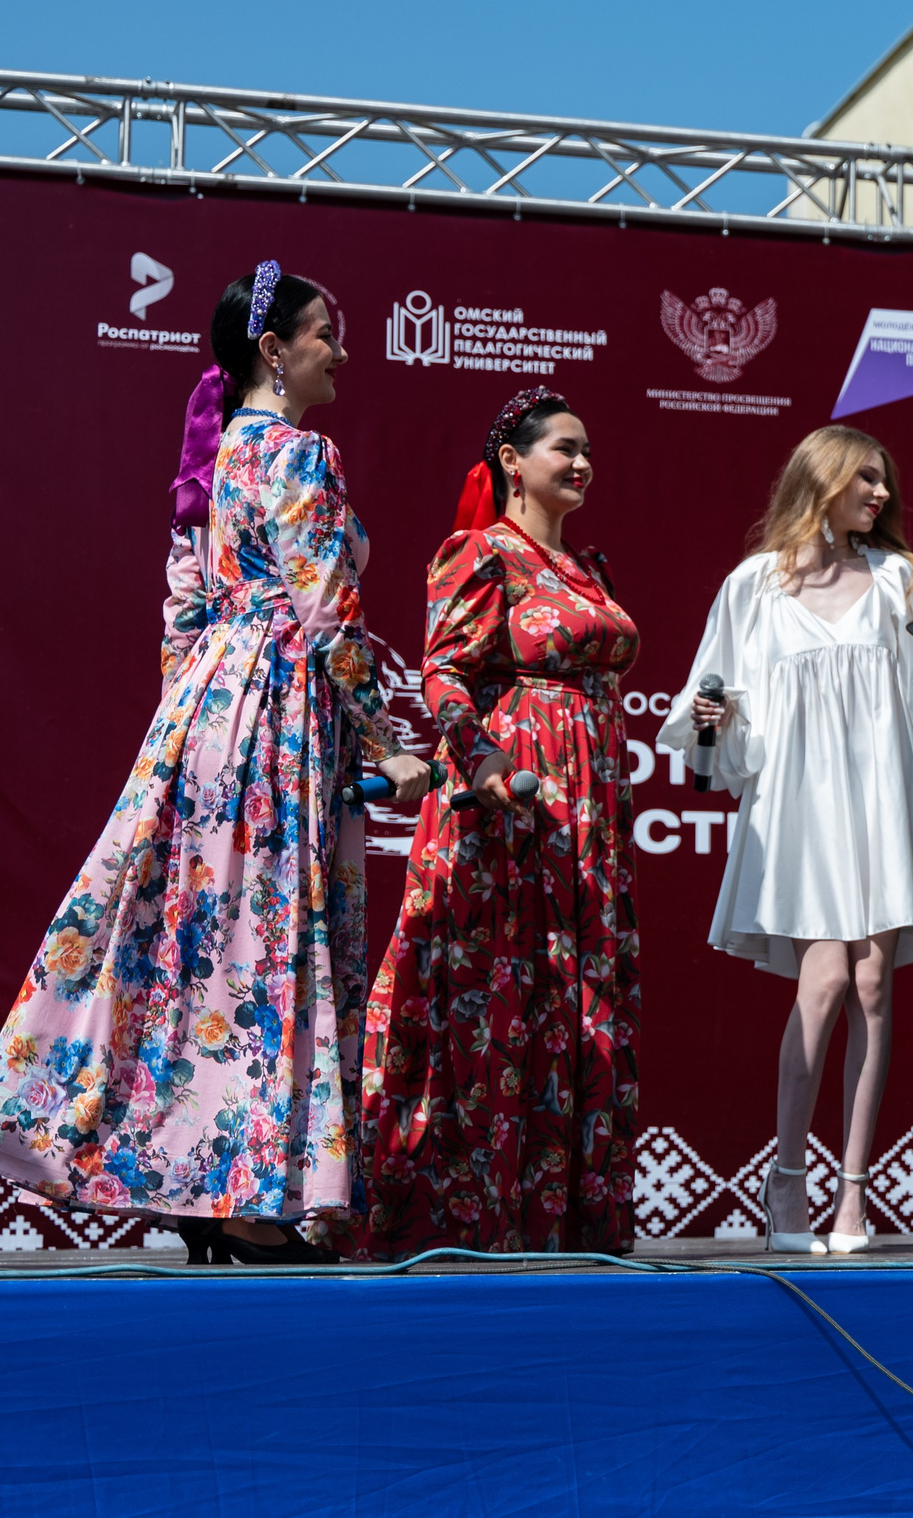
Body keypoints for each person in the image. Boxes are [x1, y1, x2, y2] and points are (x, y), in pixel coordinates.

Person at [0, 263, 431, 1265]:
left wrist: (187, 732)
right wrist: (388, 743)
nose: (341, 352)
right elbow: (327, 613)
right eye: (326, 333)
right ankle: (240, 1193)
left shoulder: (212, 461)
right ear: (274, 350)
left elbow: (183, 612)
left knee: (206, 944)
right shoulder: (300, 453)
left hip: (209, 709)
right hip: (280, 705)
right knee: (267, 942)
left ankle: (206, 1180)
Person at [662, 427, 913, 1255]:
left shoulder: (896, 578)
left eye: (885, 480)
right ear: (822, 479)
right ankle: (787, 1180)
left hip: (881, 798)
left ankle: (853, 1198)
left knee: (872, 984)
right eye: (865, 478)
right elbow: (712, 710)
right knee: (828, 977)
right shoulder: (754, 585)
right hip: (801, 805)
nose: (881, 494)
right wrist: (712, 715)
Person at [357, 388, 642, 1258]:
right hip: (510, 804)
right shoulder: (481, 552)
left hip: (588, 810)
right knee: (505, 994)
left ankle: (568, 1223)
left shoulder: (587, 566)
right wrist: (480, 760)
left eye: (588, 449)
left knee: (578, 995)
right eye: (564, 448)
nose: (582, 463)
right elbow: (444, 673)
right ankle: (473, 1219)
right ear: (513, 462)